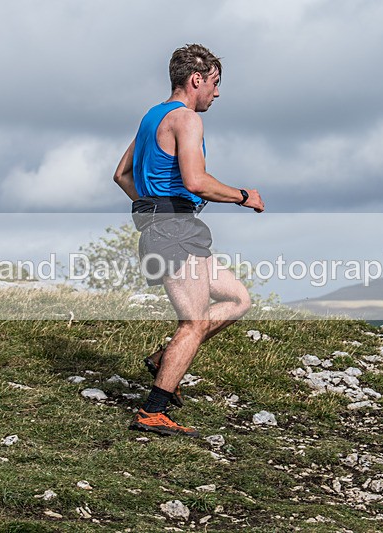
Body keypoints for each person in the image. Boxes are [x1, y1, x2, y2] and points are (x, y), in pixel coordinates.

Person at [113, 44, 265, 437]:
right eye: (214, 83)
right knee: (194, 322)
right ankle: (152, 412)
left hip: (171, 227)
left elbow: (122, 174)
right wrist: (243, 196)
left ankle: (163, 359)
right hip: (174, 230)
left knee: (238, 299)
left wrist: (150, 208)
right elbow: (196, 181)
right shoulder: (187, 119)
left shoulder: (153, 116)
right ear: (196, 79)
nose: (217, 92)